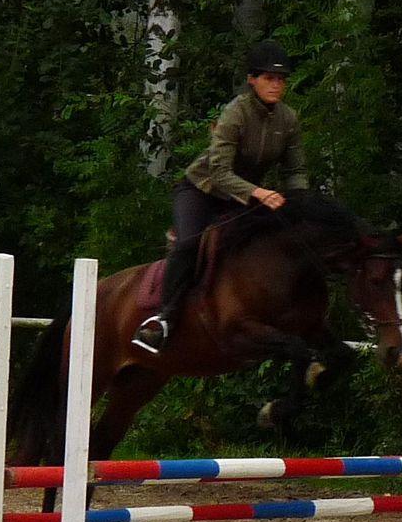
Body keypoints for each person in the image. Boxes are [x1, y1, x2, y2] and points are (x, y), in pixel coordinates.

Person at [132, 40, 309, 353]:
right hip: (202, 190)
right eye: (269, 78)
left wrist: (300, 205)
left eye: (281, 79)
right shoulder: (235, 113)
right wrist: (259, 192)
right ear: (252, 79)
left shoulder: (288, 119)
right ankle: (164, 319)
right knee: (189, 243)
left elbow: (295, 171)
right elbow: (219, 172)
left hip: (244, 197)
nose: (276, 85)